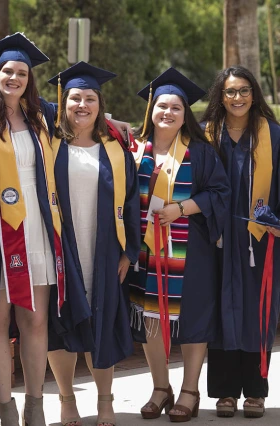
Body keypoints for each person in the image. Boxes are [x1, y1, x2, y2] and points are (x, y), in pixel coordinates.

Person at [126, 67, 230, 422]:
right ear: (151, 111)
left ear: (185, 115)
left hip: (191, 252)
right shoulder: (137, 151)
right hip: (146, 251)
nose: (167, 112)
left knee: (192, 319)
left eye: (176, 108)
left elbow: (220, 192)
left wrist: (181, 208)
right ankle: (160, 387)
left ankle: (189, 390)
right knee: (151, 318)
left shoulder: (199, 152)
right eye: (161, 106)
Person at [45, 62, 141, 426]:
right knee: (61, 325)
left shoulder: (115, 150)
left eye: (89, 98)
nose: (82, 105)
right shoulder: (49, 145)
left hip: (103, 252)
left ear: (100, 106)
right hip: (62, 251)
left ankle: (104, 402)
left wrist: (128, 252)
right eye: (74, 98)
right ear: (63, 103)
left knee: (101, 325)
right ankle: (67, 400)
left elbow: (131, 202)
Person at [0, 32, 62, 425]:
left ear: (30, 79)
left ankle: (35, 405)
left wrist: (111, 119)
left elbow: (85, 118)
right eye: (7, 71)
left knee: (35, 319)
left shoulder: (40, 117)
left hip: (37, 227)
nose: (14, 78)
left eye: (22, 73)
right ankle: (5, 408)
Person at [201, 66, 280, 419]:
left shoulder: (273, 136)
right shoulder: (206, 136)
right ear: (220, 95)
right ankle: (224, 391)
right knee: (218, 312)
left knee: (257, 313)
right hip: (215, 238)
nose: (238, 98)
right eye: (231, 91)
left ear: (254, 94)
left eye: (244, 90)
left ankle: (256, 390)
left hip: (260, 240)